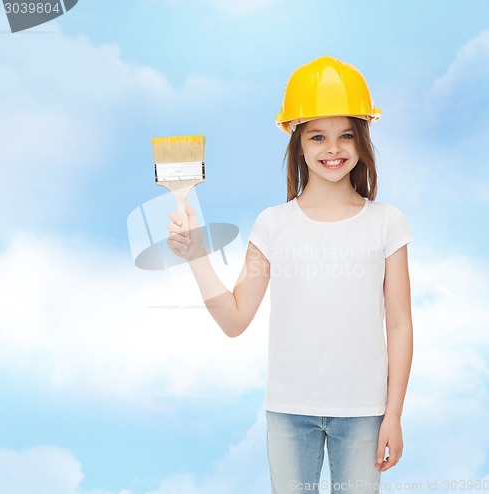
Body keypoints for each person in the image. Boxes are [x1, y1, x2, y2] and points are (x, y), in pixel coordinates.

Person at [167, 56, 413, 494]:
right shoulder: (273, 225)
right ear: (298, 142)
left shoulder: (387, 223)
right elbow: (235, 319)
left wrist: (393, 413)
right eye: (318, 136)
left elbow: (399, 324)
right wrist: (197, 256)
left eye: (346, 136)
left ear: (362, 142)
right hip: (288, 410)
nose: (332, 149)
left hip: (364, 411)